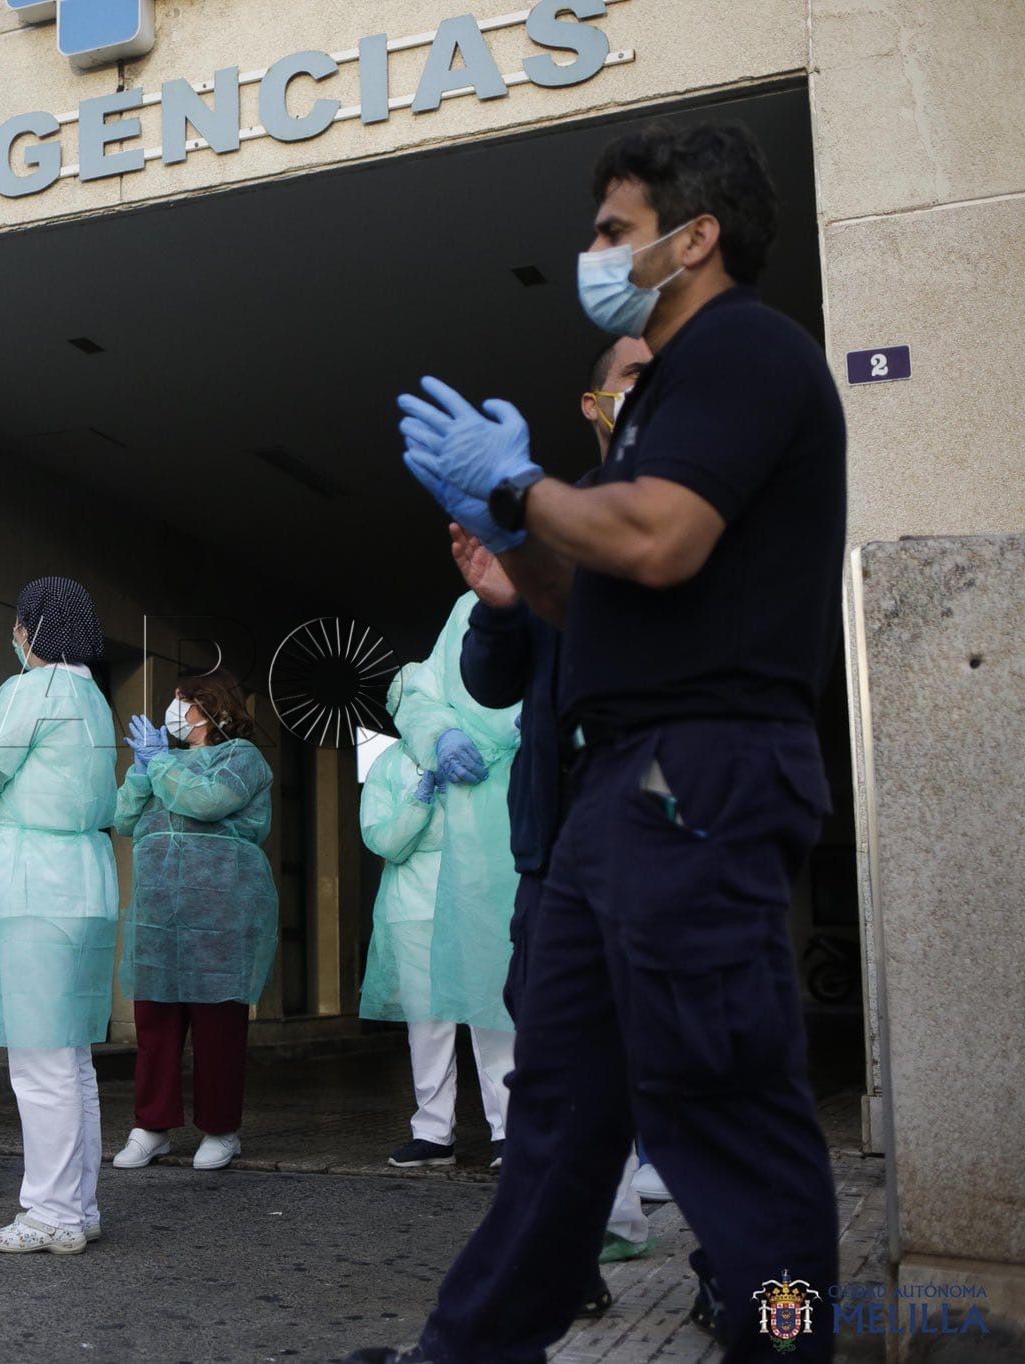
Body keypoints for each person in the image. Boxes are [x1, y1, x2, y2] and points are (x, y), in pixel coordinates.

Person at [355, 122, 847, 1363]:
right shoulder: (657, 401)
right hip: (614, 788)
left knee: (723, 1106)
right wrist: (509, 546)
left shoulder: (741, 350)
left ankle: (785, 1341)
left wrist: (522, 490)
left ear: (695, 237)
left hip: (700, 773)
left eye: (613, 230)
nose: (592, 252)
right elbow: (600, 598)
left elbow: (661, 539)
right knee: (559, 1110)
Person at [453, 337, 659, 1312]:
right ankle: (564, 1262)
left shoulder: (705, 504)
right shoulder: (555, 522)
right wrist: (498, 603)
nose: (640, 392)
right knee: (549, 1069)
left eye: (661, 372)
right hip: (556, 854)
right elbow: (495, 683)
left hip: (671, 840)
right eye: (623, 378)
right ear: (590, 403)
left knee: (703, 1073)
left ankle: (760, 1291)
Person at [0, 576, 118, 1255]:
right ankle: (78, 1205)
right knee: (72, 1057)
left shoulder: (33, 690)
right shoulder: (92, 697)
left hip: (35, 885)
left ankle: (50, 1213)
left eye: (19, 626)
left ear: (31, 629)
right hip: (85, 880)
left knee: (40, 1061)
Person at [358, 619, 520, 1171]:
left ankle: (510, 1129)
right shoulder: (386, 767)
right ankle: (433, 1131)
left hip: (475, 898)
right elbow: (383, 840)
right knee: (427, 1026)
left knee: (492, 1017)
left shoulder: (479, 752)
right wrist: (421, 800)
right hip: (414, 911)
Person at [110, 670, 277, 1173]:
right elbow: (123, 818)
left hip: (219, 914)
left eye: (185, 702)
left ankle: (222, 1130)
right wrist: (142, 769)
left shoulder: (241, 758)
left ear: (216, 709)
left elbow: (207, 801)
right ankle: (151, 1126)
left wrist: (159, 764)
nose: (174, 710)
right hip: (160, 915)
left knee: (217, 1027)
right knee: (155, 1024)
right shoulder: (164, 764)